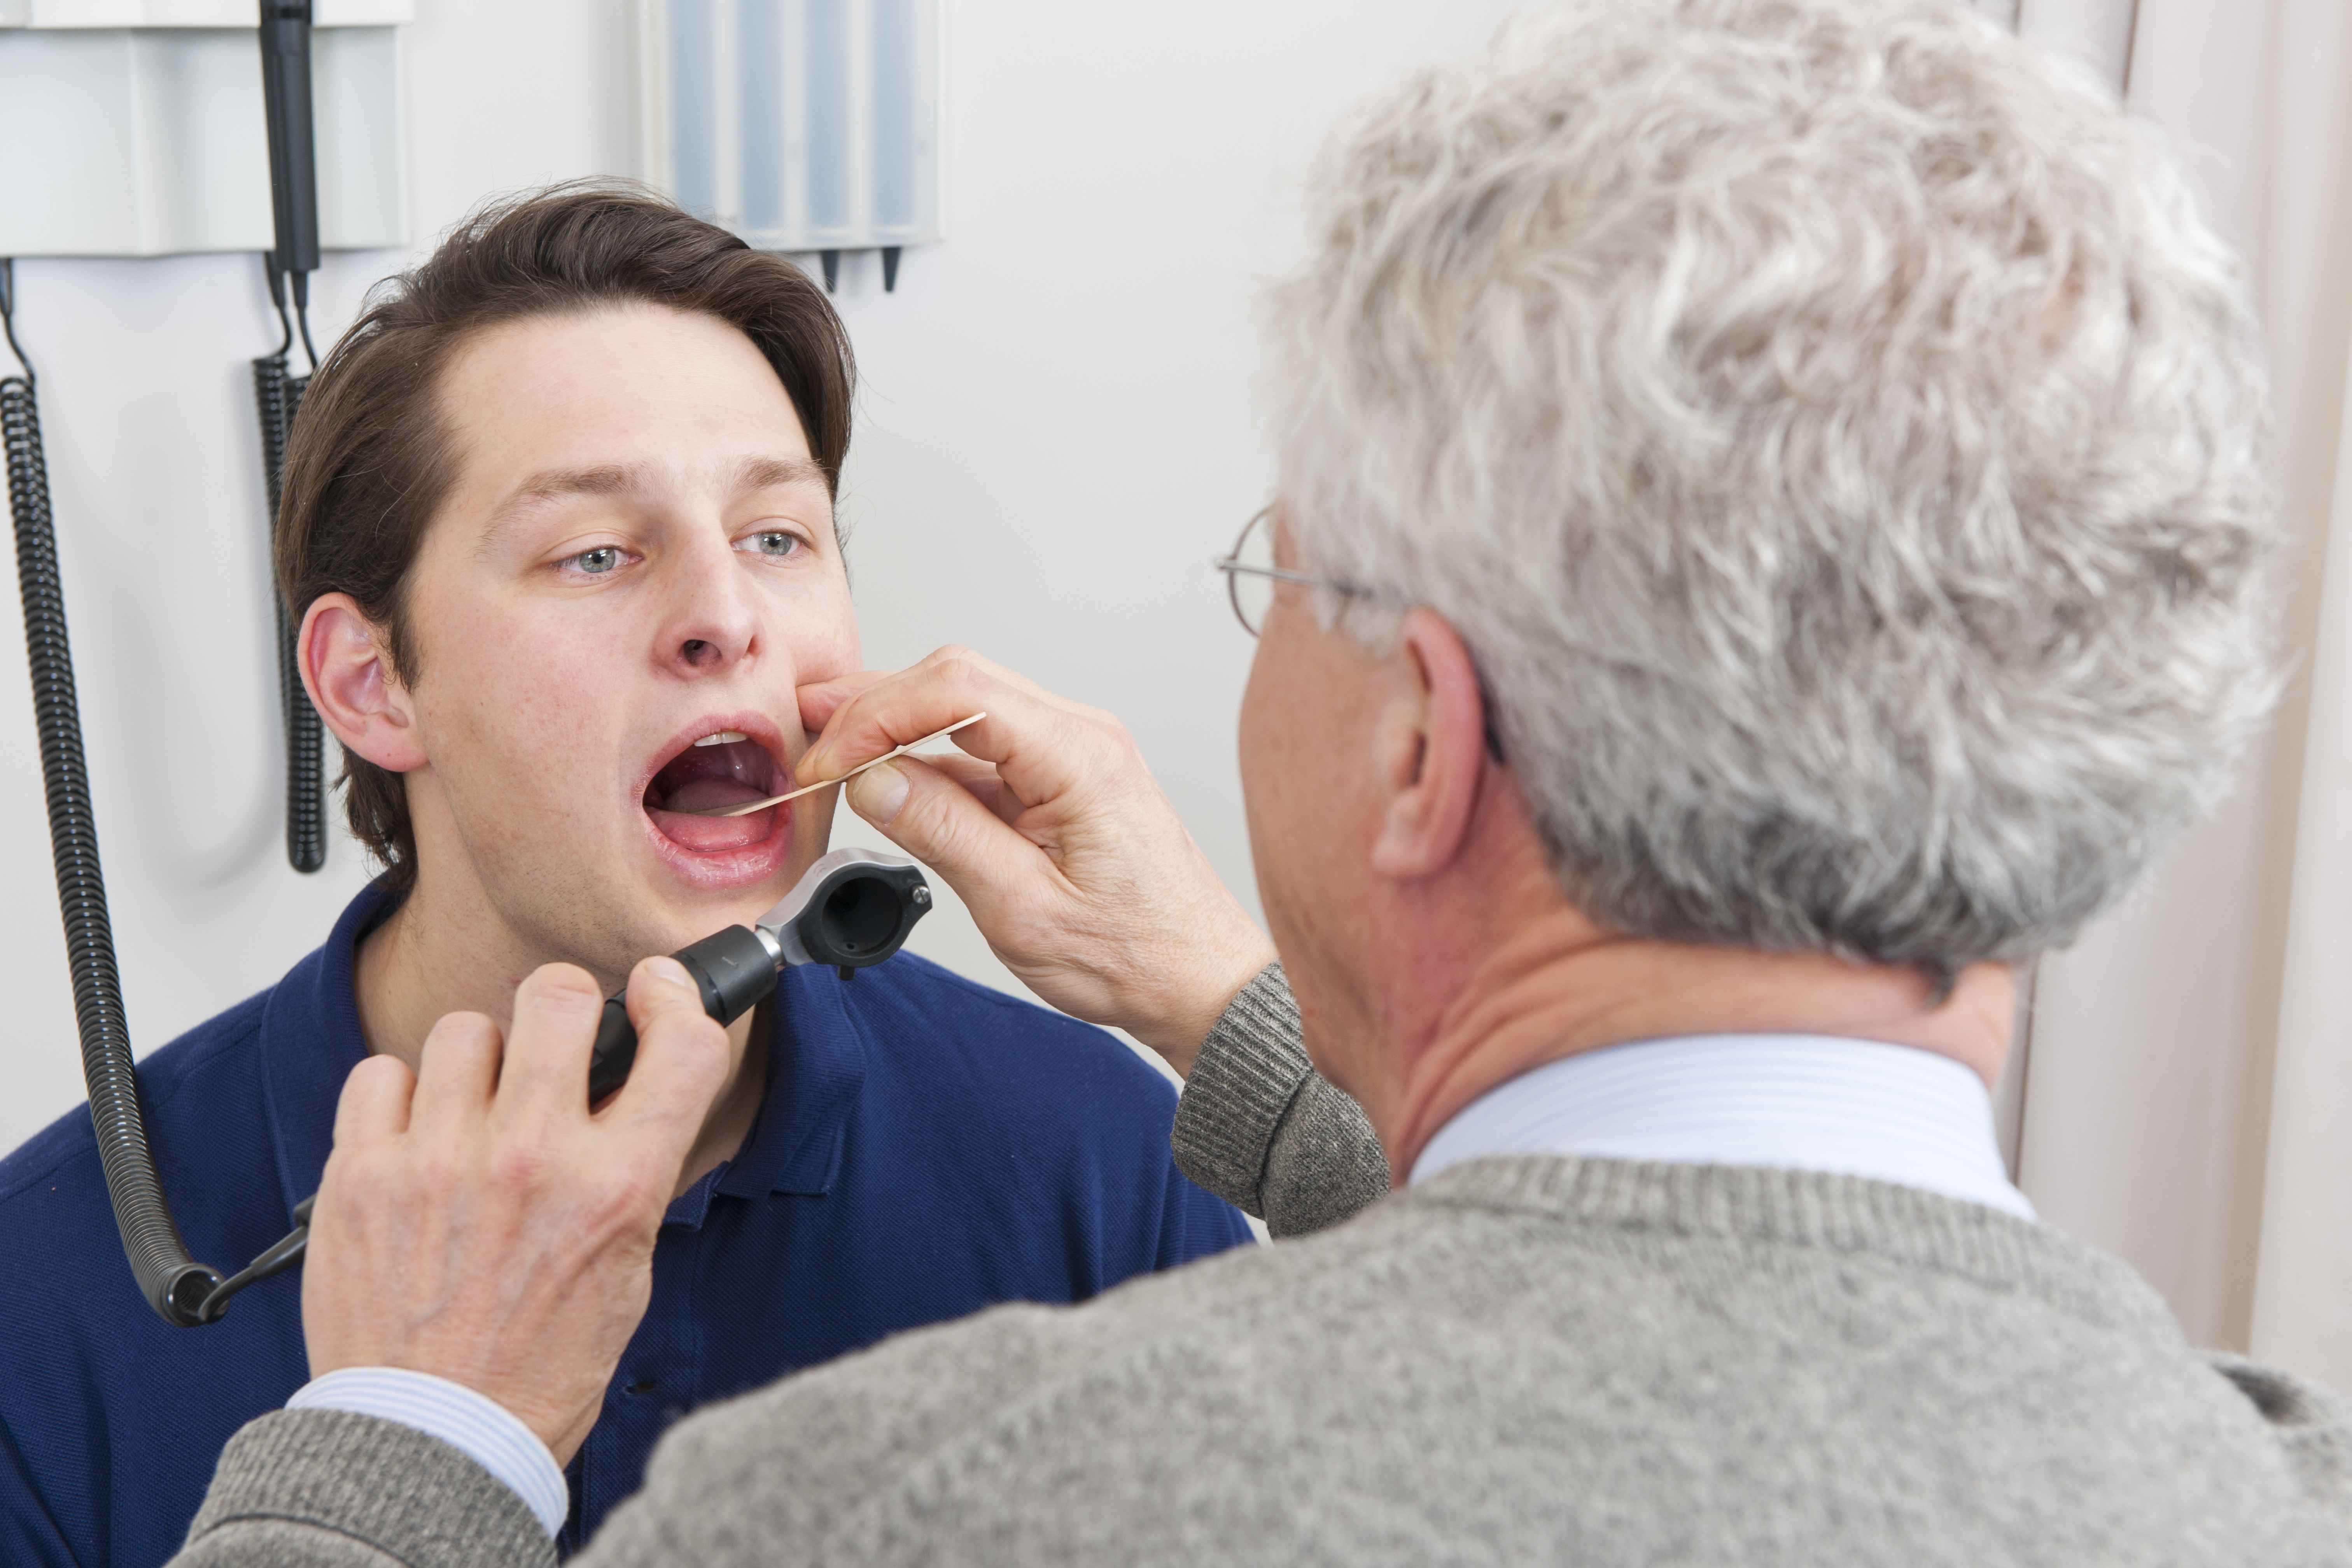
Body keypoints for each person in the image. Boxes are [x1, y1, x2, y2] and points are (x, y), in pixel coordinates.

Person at [174, 1, 2352, 1563]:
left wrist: (401, 1443)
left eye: (1279, 578)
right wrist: (1242, 1020)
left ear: (1423, 736)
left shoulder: (896, 1493)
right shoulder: (2271, 1481)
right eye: (590, 545)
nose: (729, 617)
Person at [0, 185, 1253, 1566]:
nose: (726, 617)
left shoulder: (1101, 1163)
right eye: (595, 553)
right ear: (372, 684)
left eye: (777, 537)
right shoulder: (37, 1311)